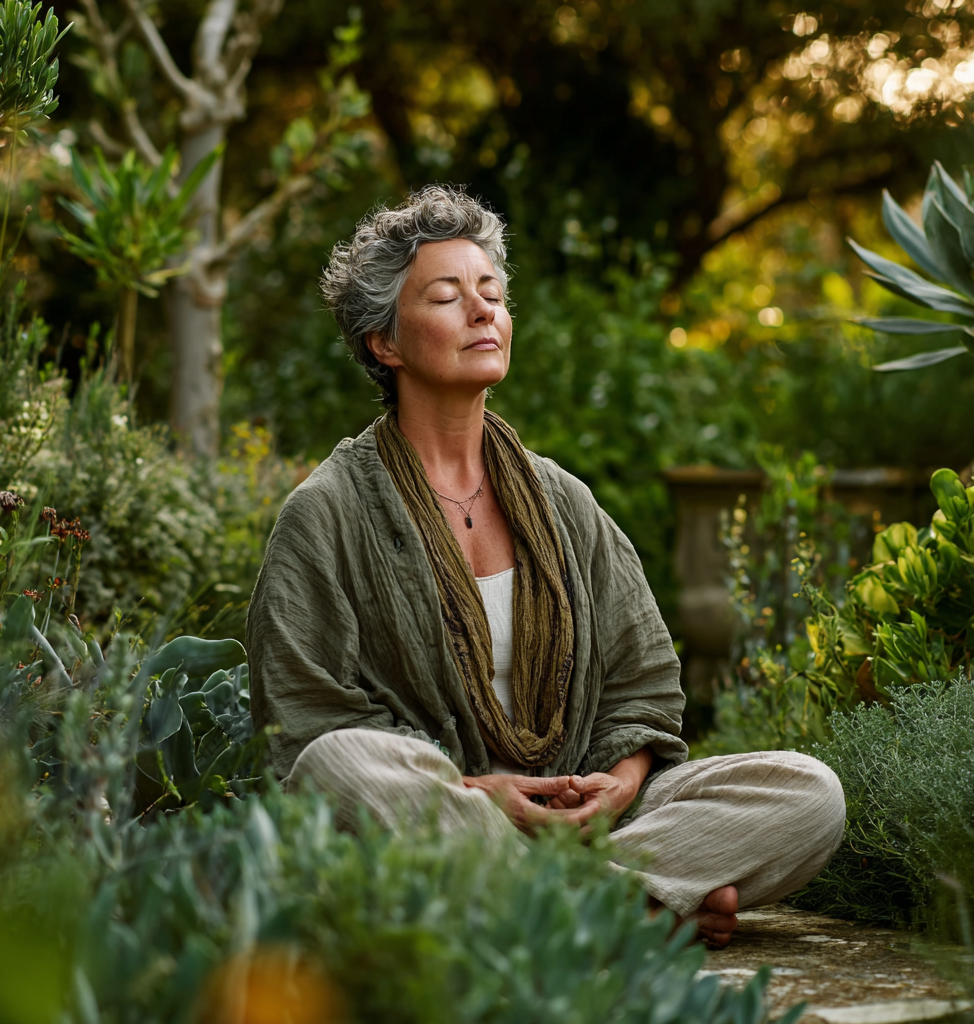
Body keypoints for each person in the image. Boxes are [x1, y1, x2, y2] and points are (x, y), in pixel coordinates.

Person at [246, 185, 845, 948]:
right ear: (384, 342)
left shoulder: (563, 501)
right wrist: (480, 794)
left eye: (492, 294)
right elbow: (305, 730)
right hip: (444, 817)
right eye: (447, 295)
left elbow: (642, 685)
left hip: (584, 823)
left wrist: (618, 787)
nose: (483, 311)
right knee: (342, 767)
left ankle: (550, 909)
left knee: (808, 793)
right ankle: (629, 910)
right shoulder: (326, 513)